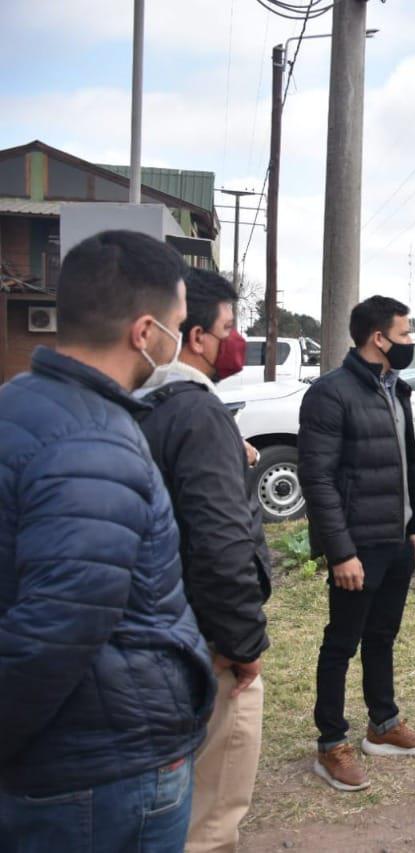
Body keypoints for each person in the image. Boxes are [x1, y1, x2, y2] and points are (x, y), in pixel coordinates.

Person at [0, 230, 214, 851]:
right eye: (178, 326)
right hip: (100, 767)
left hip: (68, 755)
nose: (179, 342)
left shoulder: (20, 402)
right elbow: (55, 626)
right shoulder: (94, 443)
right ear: (145, 333)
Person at [137, 268, 272, 852]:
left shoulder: (146, 403)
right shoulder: (198, 412)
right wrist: (243, 644)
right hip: (210, 639)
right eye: (228, 328)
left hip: (164, 626)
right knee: (214, 805)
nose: (235, 340)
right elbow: (220, 542)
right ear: (196, 337)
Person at [299, 295, 415, 793]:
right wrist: (340, 551)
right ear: (378, 338)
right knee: (342, 642)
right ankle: (330, 743)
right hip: (357, 546)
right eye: (404, 335)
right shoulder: (330, 394)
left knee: (383, 636)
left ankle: (383, 725)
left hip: (396, 540)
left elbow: (409, 463)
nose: (409, 344)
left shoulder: (395, 388)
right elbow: (317, 480)